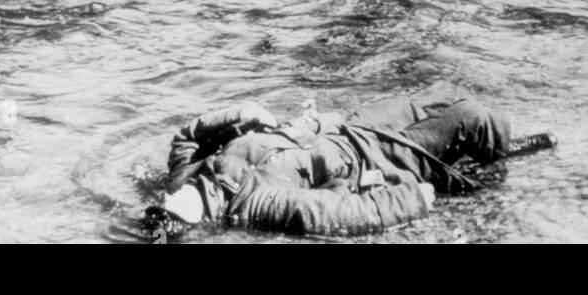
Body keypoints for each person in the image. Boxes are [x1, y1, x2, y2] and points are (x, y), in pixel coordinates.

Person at [141, 94, 555, 239]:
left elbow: (188, 135)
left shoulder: (185, 172)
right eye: (175, 211)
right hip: (374, 158)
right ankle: (500, 155)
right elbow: (337, 214)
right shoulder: (253, 204)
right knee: (474, 118)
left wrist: (245, 114)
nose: (173, 197)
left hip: (347, 123)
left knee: (439, 97)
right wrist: (412, 198)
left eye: (165, 203)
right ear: (194, 219)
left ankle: (481, 153)